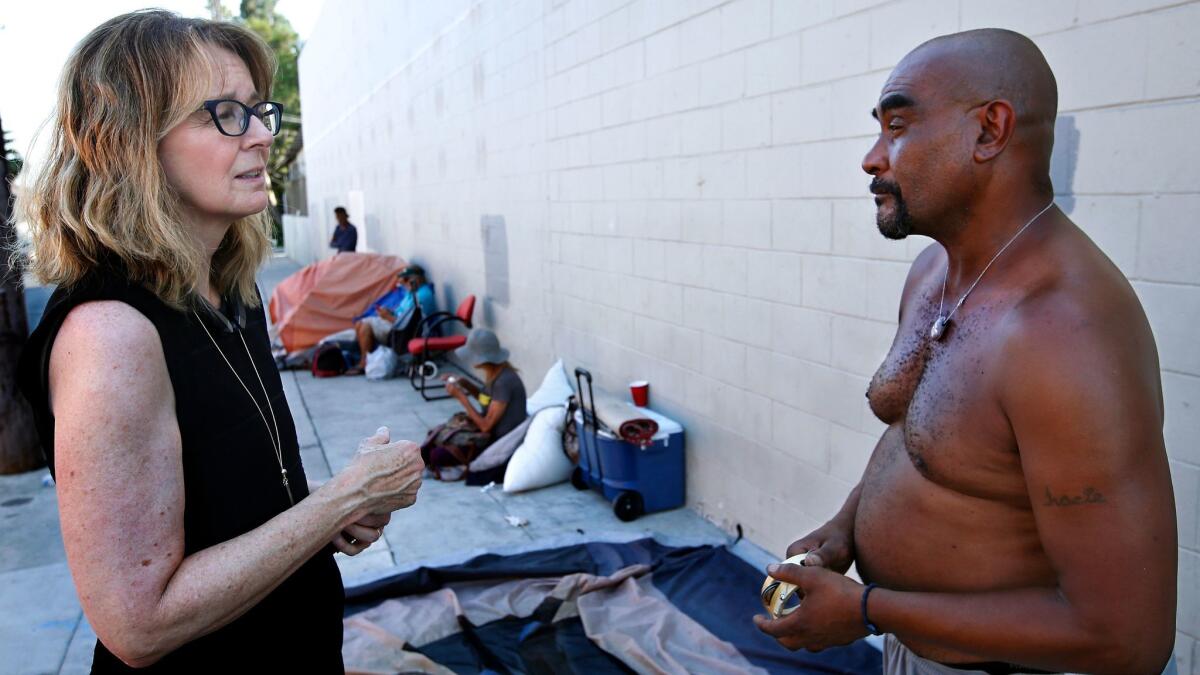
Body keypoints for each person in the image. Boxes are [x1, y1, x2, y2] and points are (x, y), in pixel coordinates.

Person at [754, 29, 1177, 675]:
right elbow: (918, 430)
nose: (872, 158)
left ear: (989, 131)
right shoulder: (934, 269)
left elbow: (1127, 638)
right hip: (917, 643)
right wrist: (846, 526)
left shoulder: (1064, 333)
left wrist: (868, 609)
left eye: (897, 125)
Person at [14, 11, 424, 671]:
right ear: (129, 142)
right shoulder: (111, 333)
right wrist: (338, 501)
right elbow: (137, 623)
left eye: (259, 110)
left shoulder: (232, 290)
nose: (262, 135)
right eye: (225, 114)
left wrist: (331, 505)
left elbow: (225, 492)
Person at [421, 329, 527, 478]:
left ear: (482, 359)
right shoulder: (495, 374)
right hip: (486, 434)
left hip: (497, 441)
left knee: (436, 455)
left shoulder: (504, 382)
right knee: (433, 438)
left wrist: (461, 398)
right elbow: (486, 401)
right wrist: (464, 383)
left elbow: (486, 425)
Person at [347, 264, 436, 375]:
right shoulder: (412, 292)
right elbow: (400, 312)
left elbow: (408, 325)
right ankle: (366, 358)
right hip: (398, 324)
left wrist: (387, 317)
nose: (403, 283)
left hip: (406, 332)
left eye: (405, 280)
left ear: (416, 279)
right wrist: (388, 312)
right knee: (360, 323)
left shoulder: (421, 296)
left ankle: (363, 363)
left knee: (366, 326)